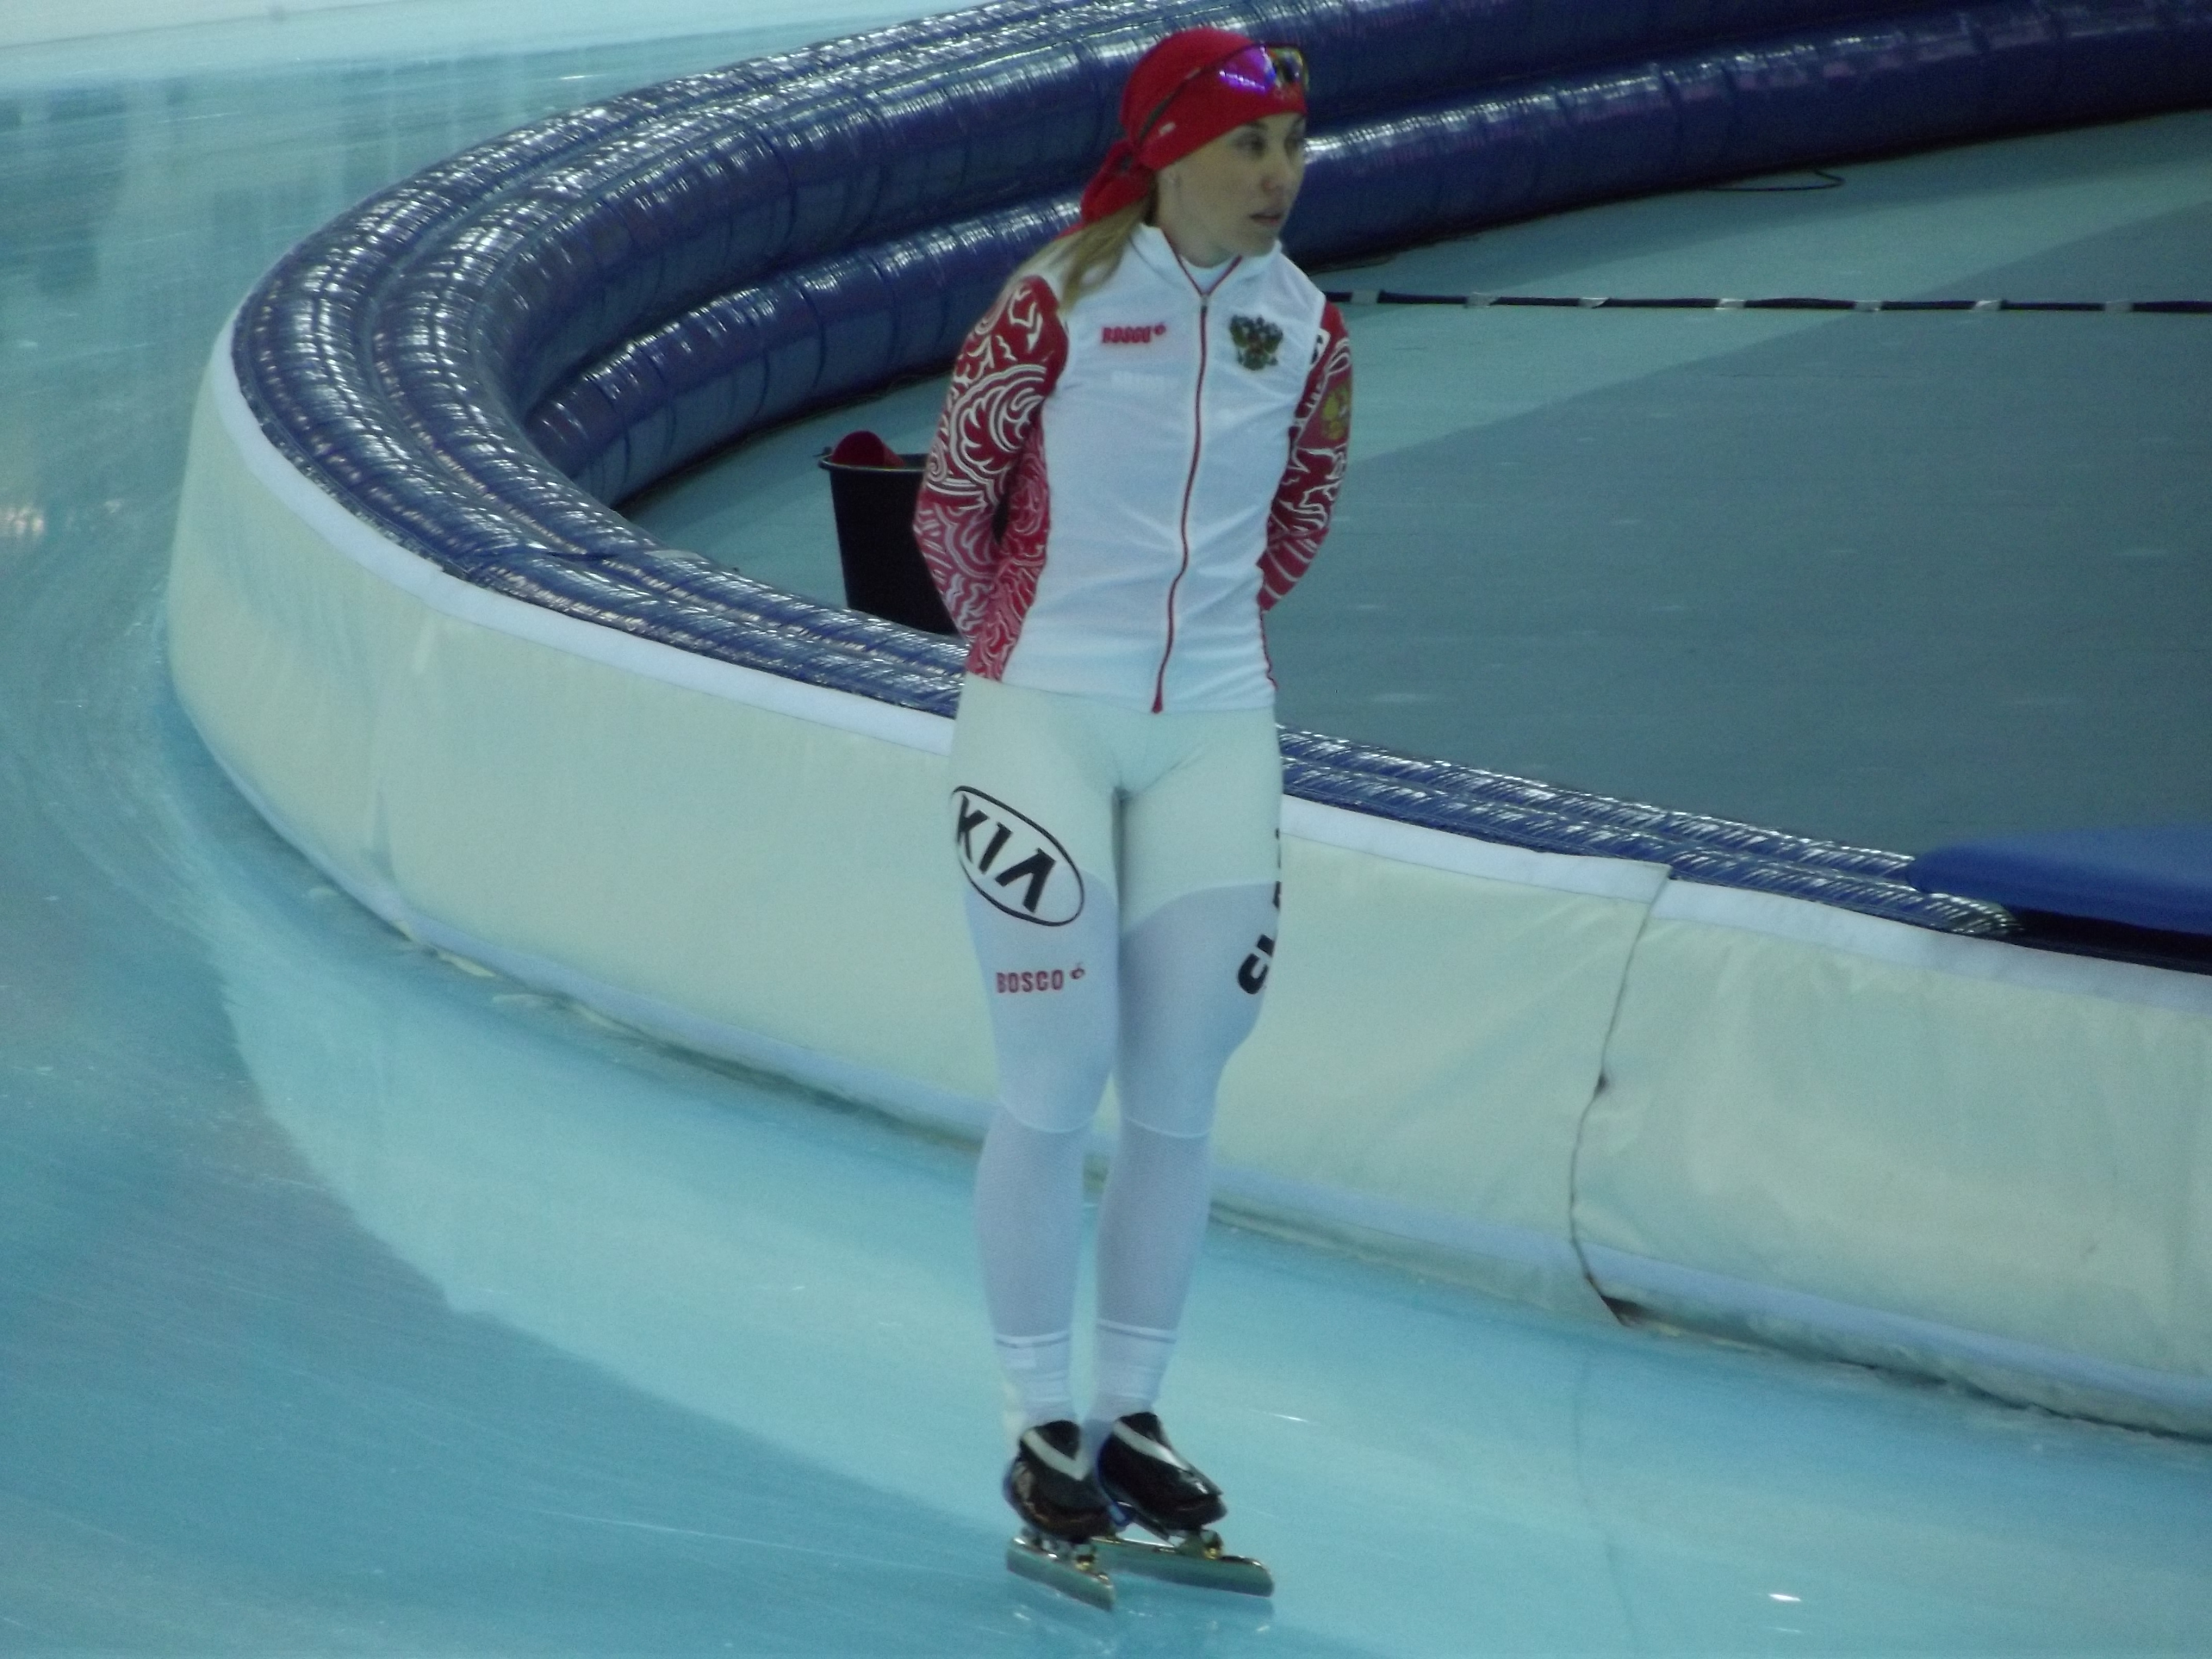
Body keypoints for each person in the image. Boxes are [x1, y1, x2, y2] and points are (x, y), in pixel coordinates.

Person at [912, 26, 1353, 1552]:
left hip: (1218, 726)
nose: (1280, 175)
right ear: (1168, 149)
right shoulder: (1053, 302)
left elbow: (1302, 516)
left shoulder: (1309, 327)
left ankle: (1130, 1416)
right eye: (1249, 144)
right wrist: (1023, 662)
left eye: (1294, 145)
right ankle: (1038, 1420)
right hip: (1040, 715)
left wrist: (1203, 653)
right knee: (1057, 1067)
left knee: (1180, 1088)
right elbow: (952, 506)